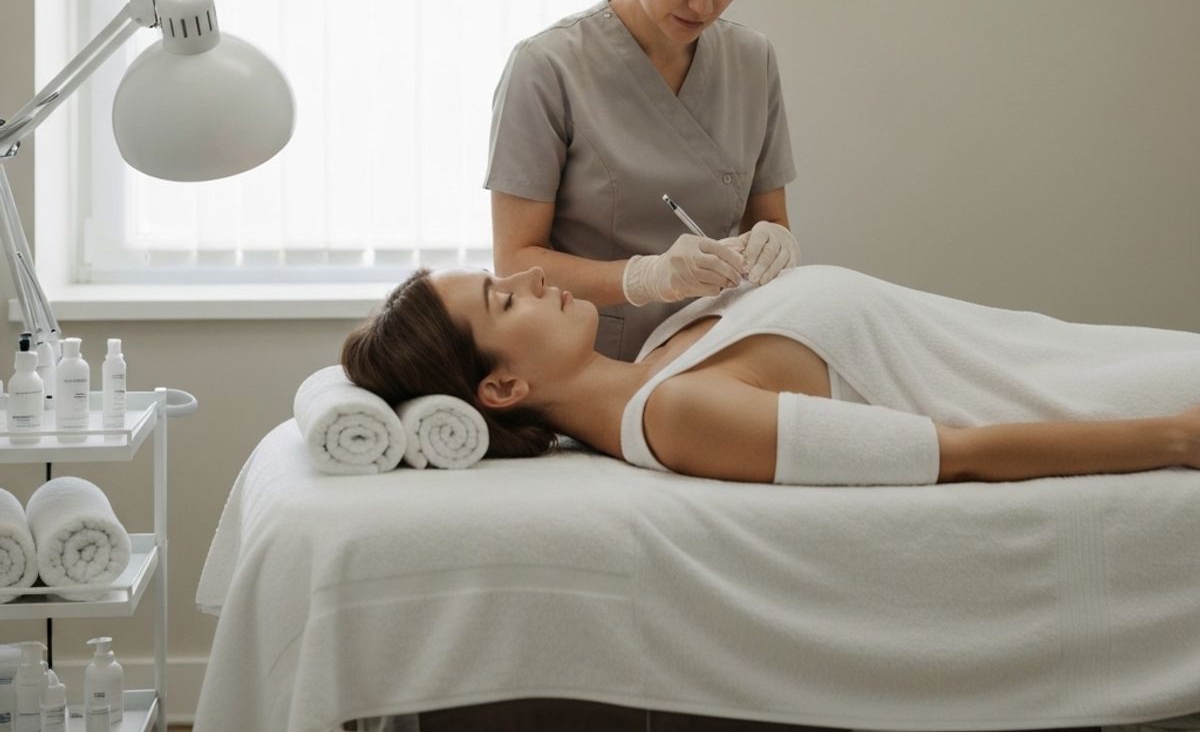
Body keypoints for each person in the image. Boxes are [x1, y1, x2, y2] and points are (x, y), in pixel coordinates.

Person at [342, 263, 1200, 486]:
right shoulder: (678, 416)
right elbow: (958, 454)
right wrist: (1174, 437)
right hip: (1095, 397)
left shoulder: (651, 362)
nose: (529, 276)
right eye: (503, 301)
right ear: (500, 390)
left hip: (1071, 351)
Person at [485, 0, 800, 362]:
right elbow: (515, 264)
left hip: (719, 350)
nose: (703, 3)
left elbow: (767, 220)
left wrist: (775, 241)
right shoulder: (547, 67)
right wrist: (646, 277)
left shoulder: (753, 60)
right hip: (592, 361)